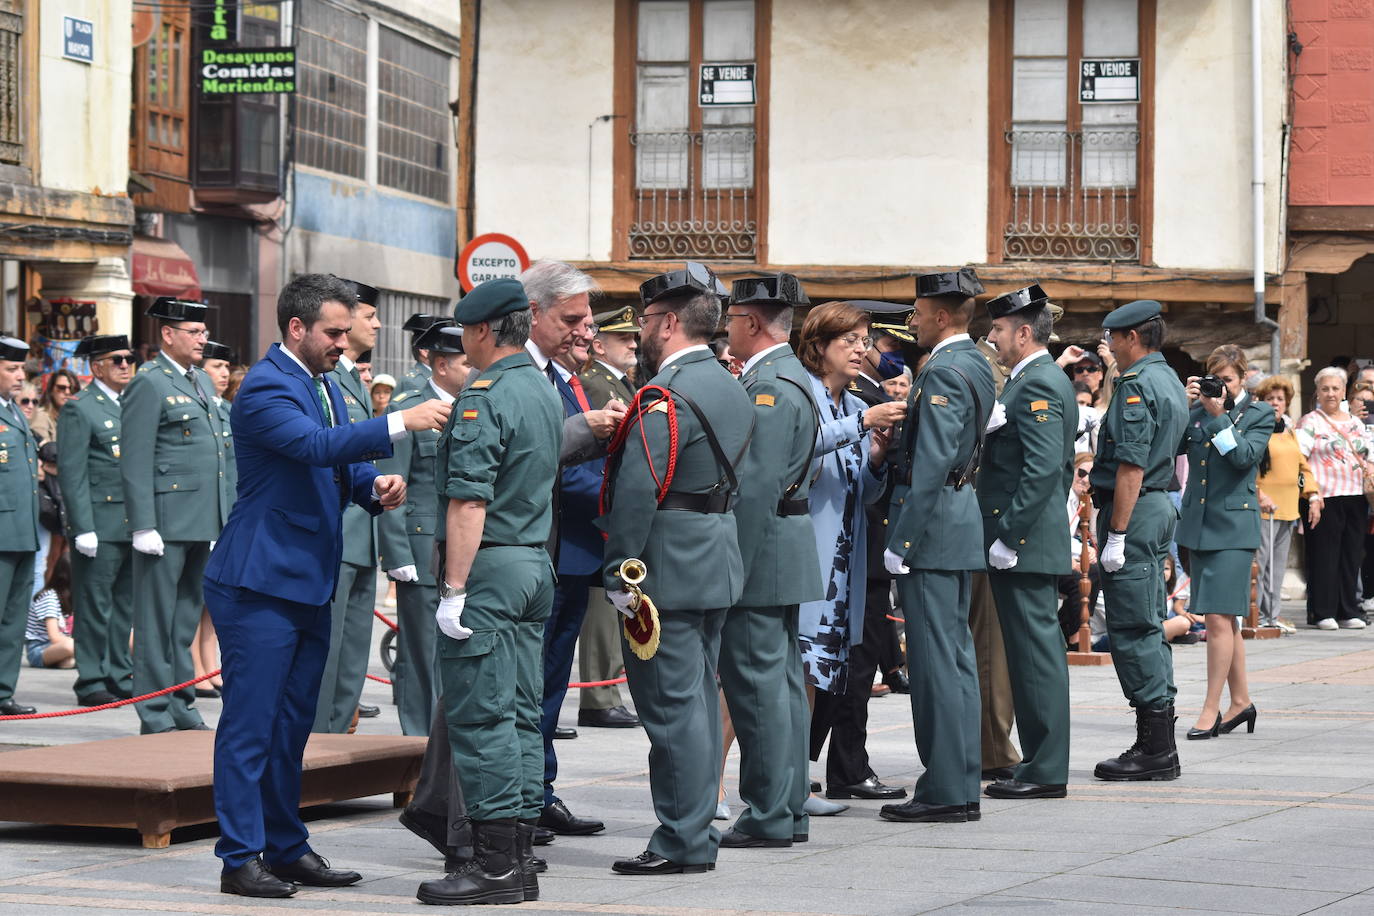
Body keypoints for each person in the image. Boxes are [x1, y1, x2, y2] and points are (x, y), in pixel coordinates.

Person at [203, 273, 449, 898]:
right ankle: (239, 858)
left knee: (292, 727)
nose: (345, 341)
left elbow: (340, 461)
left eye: (347, 330)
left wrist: (374, 487)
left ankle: (286, 846)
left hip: (306, 579)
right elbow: (312, 446)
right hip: (259, 581)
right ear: (296, 328)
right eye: (334, 332)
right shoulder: (265, 386)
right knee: (250, 726)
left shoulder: (325, 383)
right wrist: (400, 422)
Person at [599, 263, 754, 875]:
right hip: (715, 554)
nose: (640, 332)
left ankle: (683, 838)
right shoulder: (730, 385)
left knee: (670, 709)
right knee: (693, 701)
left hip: (664, 567)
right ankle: (691, 831)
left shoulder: (663, 395)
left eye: (644, 321)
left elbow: (639, 492)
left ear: (666, 323)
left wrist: (619, 572)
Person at [416, 279, 562, 905]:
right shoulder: (541, 387)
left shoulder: (485, 393)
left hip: (492, 569)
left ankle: (496, 866)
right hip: (533, 562)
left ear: (480, 332)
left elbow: (469, 499)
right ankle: (521, 857)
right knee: (522, 714)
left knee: (482, 719)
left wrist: (453, 589)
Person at [879, 268, 994, 824]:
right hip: (954, 523)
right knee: (954, 660)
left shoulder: (946, 370)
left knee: (935, 665)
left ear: (942, 315)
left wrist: (903, 538)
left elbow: (932, 463)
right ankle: (958, 779)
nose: (913, 320)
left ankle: (946, 787)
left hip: (934, 528)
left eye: (919, 312)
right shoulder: (973, 361)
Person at [713, 273, 824, 850]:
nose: (726, 326)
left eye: (731, 318)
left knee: (759, 688)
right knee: (777, 686)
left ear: (751, 323)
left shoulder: (771, 384)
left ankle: (770, 812)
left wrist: (734, 566)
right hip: (782, 546)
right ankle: (785, 806)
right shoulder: (779, 376)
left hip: (765, 550)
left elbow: (756, 488)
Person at [522, 260, 620, 836]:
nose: (586, 330)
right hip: (543, 553)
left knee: (552, 685)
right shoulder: (525, 379)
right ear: (534, 315)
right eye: (574, 319)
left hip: (574, 552)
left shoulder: (562, 378)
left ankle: (540, 791)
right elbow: (551, 470)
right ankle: (523, 798)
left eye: (588, 319)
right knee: (529, 688)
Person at [798, 302, 907, 810]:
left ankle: (798, 781)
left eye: (865, 340)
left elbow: (858, 490)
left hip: (844, 560)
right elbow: (797, 452)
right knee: (798, 671)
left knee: (822, 673)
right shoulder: (805, 393)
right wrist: (864, 421)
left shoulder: (848, 403)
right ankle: (767, 786)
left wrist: (879, 459)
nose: (862, 349)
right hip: (810, 554)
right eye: (851, 340)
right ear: (819, 347)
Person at [978, 284, 1076, 800]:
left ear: (1021, 332)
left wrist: (1010, 535)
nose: (991, 338)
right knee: (1027, 656)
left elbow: (1040, 470)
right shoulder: (1029, 379)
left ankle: (1046, 768)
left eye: (996, 329)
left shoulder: (1036, 382)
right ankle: (1039, 759)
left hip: (1026, 541)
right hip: (1024, 539)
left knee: (1036, 658)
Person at [122, 297, 232, 735]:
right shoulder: (149, 382)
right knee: (154, 621)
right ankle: (154, 710)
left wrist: (223, 517)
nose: (202, 339)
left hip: (201, 519)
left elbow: (219, 456)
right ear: (168, 334)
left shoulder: (200, 381)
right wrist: (142, 523)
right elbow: (134, 458)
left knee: (185, 617)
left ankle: (183, 702)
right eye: (194, 332)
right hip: (164, 521)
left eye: (203, 332)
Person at [1089, 300, 1189, 781]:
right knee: (1147, 623)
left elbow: (1131, 466)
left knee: (1132, 629)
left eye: (1111, 338)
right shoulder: (1167, 377)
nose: (1107, 346)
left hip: (1136, 509)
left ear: (1131, 337)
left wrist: (1117, 535)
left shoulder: (1137, 385)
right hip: (1154, 507)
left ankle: (1154, 748)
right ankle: (1159, 744)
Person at [1176, 345, 1271, 740]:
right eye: (1216, 380)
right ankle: (1241, 701)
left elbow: (1244, 458)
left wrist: (1218, 417)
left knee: (1215, 617)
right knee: (1225, 618)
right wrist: (1180, 405)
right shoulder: (1197, 410)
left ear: (1243, 377)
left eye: (1228, 380)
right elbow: (1171, 446)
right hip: (1198, 526)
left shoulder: (1260, 413)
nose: (1222, 388)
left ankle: (1211, 708)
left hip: (1233, 528)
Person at [378, 322, 465, 737]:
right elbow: (393, 482)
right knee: (419, 651)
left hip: (461, 546)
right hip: (420, 543)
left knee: (452, 651)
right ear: (442, 365)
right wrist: (396, 554)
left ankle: (444, 740)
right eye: (465, 362)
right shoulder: (412, 406)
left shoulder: (473, 404)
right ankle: (419, 739)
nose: (474, 369)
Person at [314, 279, 386, 732]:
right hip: (338, 529)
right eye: (369, 316)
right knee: (329, 650)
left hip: (363, 528)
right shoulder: (328, 376)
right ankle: (318, 745)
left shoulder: (354, 376)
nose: (377, 324)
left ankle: (339, 740)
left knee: (353, 650)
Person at [58, 334, 136, 706]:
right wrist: (81, 526)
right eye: (117, 359)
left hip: (129, 522)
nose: (125, 365)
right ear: (96, 367)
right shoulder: (81, 407)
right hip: (98, 523)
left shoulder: (131, 402)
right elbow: (71, 473)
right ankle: (91, 679)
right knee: (94, 606)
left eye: (129, 358)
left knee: (124, 607)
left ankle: (119, 674)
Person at [576, 306, 641, 730]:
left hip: (607, 506)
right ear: (599, 345)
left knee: (610, 604)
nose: (634, 344)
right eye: (625, 339)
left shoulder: (615, 381)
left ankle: (606, 692)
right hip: (596, 510)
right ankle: (599, 695)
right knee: (600, 609)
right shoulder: (597, 383)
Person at [1297, 365, 1371, 629]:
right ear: (1317, 392)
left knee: (1351, 555)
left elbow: (1368, 454)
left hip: (1354, 496)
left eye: (1335, 388)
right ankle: (1322, 611)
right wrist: (1311, 493)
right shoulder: (1309, 422)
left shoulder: (1355, 423)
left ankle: (1348, 609)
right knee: (1324, 555)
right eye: (1325, 388)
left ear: (1343, 392)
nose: (1330, 393)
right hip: (1322, 497)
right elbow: (1299, 462)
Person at [1253, 375, 1320, 633]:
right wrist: (1258, 494)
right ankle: (1257, 616)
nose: (1275, 403)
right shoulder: (1257, 429)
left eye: (1280, 399)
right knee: (1262, 564)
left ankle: (1273, 615)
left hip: (1289, 507)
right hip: (1264, 507)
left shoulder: (1290, 431)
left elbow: (1303, 467)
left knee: (1277, 566)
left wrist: (1313, 495)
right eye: (1270, 398)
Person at [191, 340, 236, 699]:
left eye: (225, 368)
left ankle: (209, 660)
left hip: (225, 511)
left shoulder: (224, 409)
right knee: (195, 593)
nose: (223, 374)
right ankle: (194, 663)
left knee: (212, 599)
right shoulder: (204, 407)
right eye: (216, 366)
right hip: (201, 512)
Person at [0, 334, 41, 717]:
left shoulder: (13, 411)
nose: (19, 376)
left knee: (13, 622)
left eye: (20, 369)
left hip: (22, 531)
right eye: (11, 368)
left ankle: (3, 692)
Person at [25, 552, 73, 670]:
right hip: (40, 649)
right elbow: (54, 637)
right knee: (71, 646)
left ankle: (66, 660)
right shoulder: (49, 597)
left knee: (70, 661)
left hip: (61, 646)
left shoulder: (73, 597)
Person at [395, 313, 444, 397]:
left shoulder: (439, 376)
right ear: (425, 351)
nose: (446, 352)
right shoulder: (411, 382)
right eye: (440, 347)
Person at [30, 368, 79, 444]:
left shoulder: (78, 417)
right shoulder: (41, 416)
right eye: (61, 387)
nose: (67, 392)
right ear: (51, 390)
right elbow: (45, 452)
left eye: (72, 388)